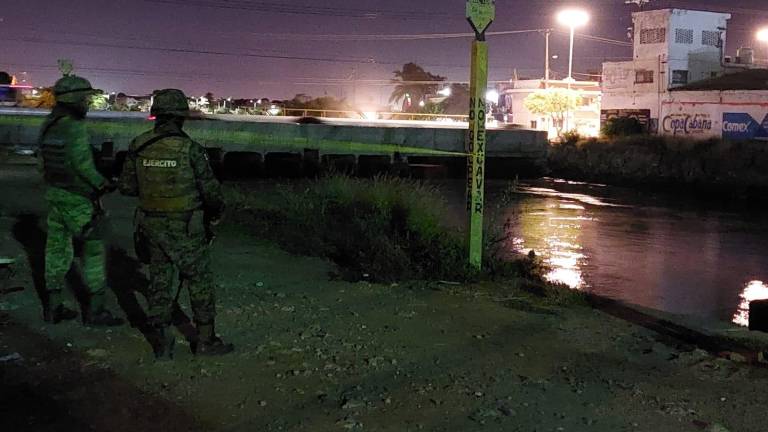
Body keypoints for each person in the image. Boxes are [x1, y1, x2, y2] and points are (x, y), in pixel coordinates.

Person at [118, 88, 232, 359]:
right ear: (181, 117)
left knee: (159, 280)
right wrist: (214, 214)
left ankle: (161, 341)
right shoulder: (191, 149)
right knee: (199, 280)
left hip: (151, 225)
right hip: (186, 227)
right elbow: (211, 192)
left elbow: (126, 187)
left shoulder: (139, 145)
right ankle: (206, 341)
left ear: (156, 114)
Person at [38, 74, 124, 326]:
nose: (88, 103)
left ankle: (53, 308)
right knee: (94, 251)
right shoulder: (74, 126)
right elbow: (83, 165)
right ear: (74, 98)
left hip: (56, 196)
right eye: (86, 98)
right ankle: (95, 312)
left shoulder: (49, 125)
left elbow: (42, 163)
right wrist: (104, 185)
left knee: (55, 251)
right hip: (78, 199)